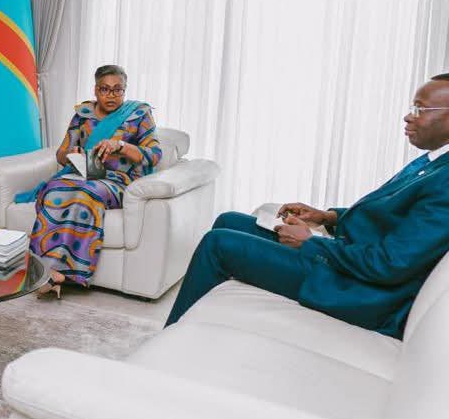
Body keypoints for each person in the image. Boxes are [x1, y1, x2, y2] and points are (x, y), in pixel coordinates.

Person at [166, 74, 449, 337]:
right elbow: (387, 218)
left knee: (218, 243)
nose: (408, 116)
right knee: (229, 220)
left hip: (357, 290)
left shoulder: (446, 181)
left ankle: (173, 338)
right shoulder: (435, 162)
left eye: (420, 109)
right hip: (348, 264)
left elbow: (390, 264)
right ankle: (204, 329)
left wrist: (311, 243)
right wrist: (327, 217)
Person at [19, 65, 162, 297]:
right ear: (95, 90)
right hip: (82, 175)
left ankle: (65, 273)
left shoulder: (138, 115)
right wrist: (71, 153)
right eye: (105, 89)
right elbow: (60, 154)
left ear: (125, 90)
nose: (111, 95)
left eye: (117, 90)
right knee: (54, 189)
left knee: (87, 193)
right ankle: (44, 270)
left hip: (119, 181)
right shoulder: (83, 115)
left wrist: (121, 146)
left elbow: (154, 155)